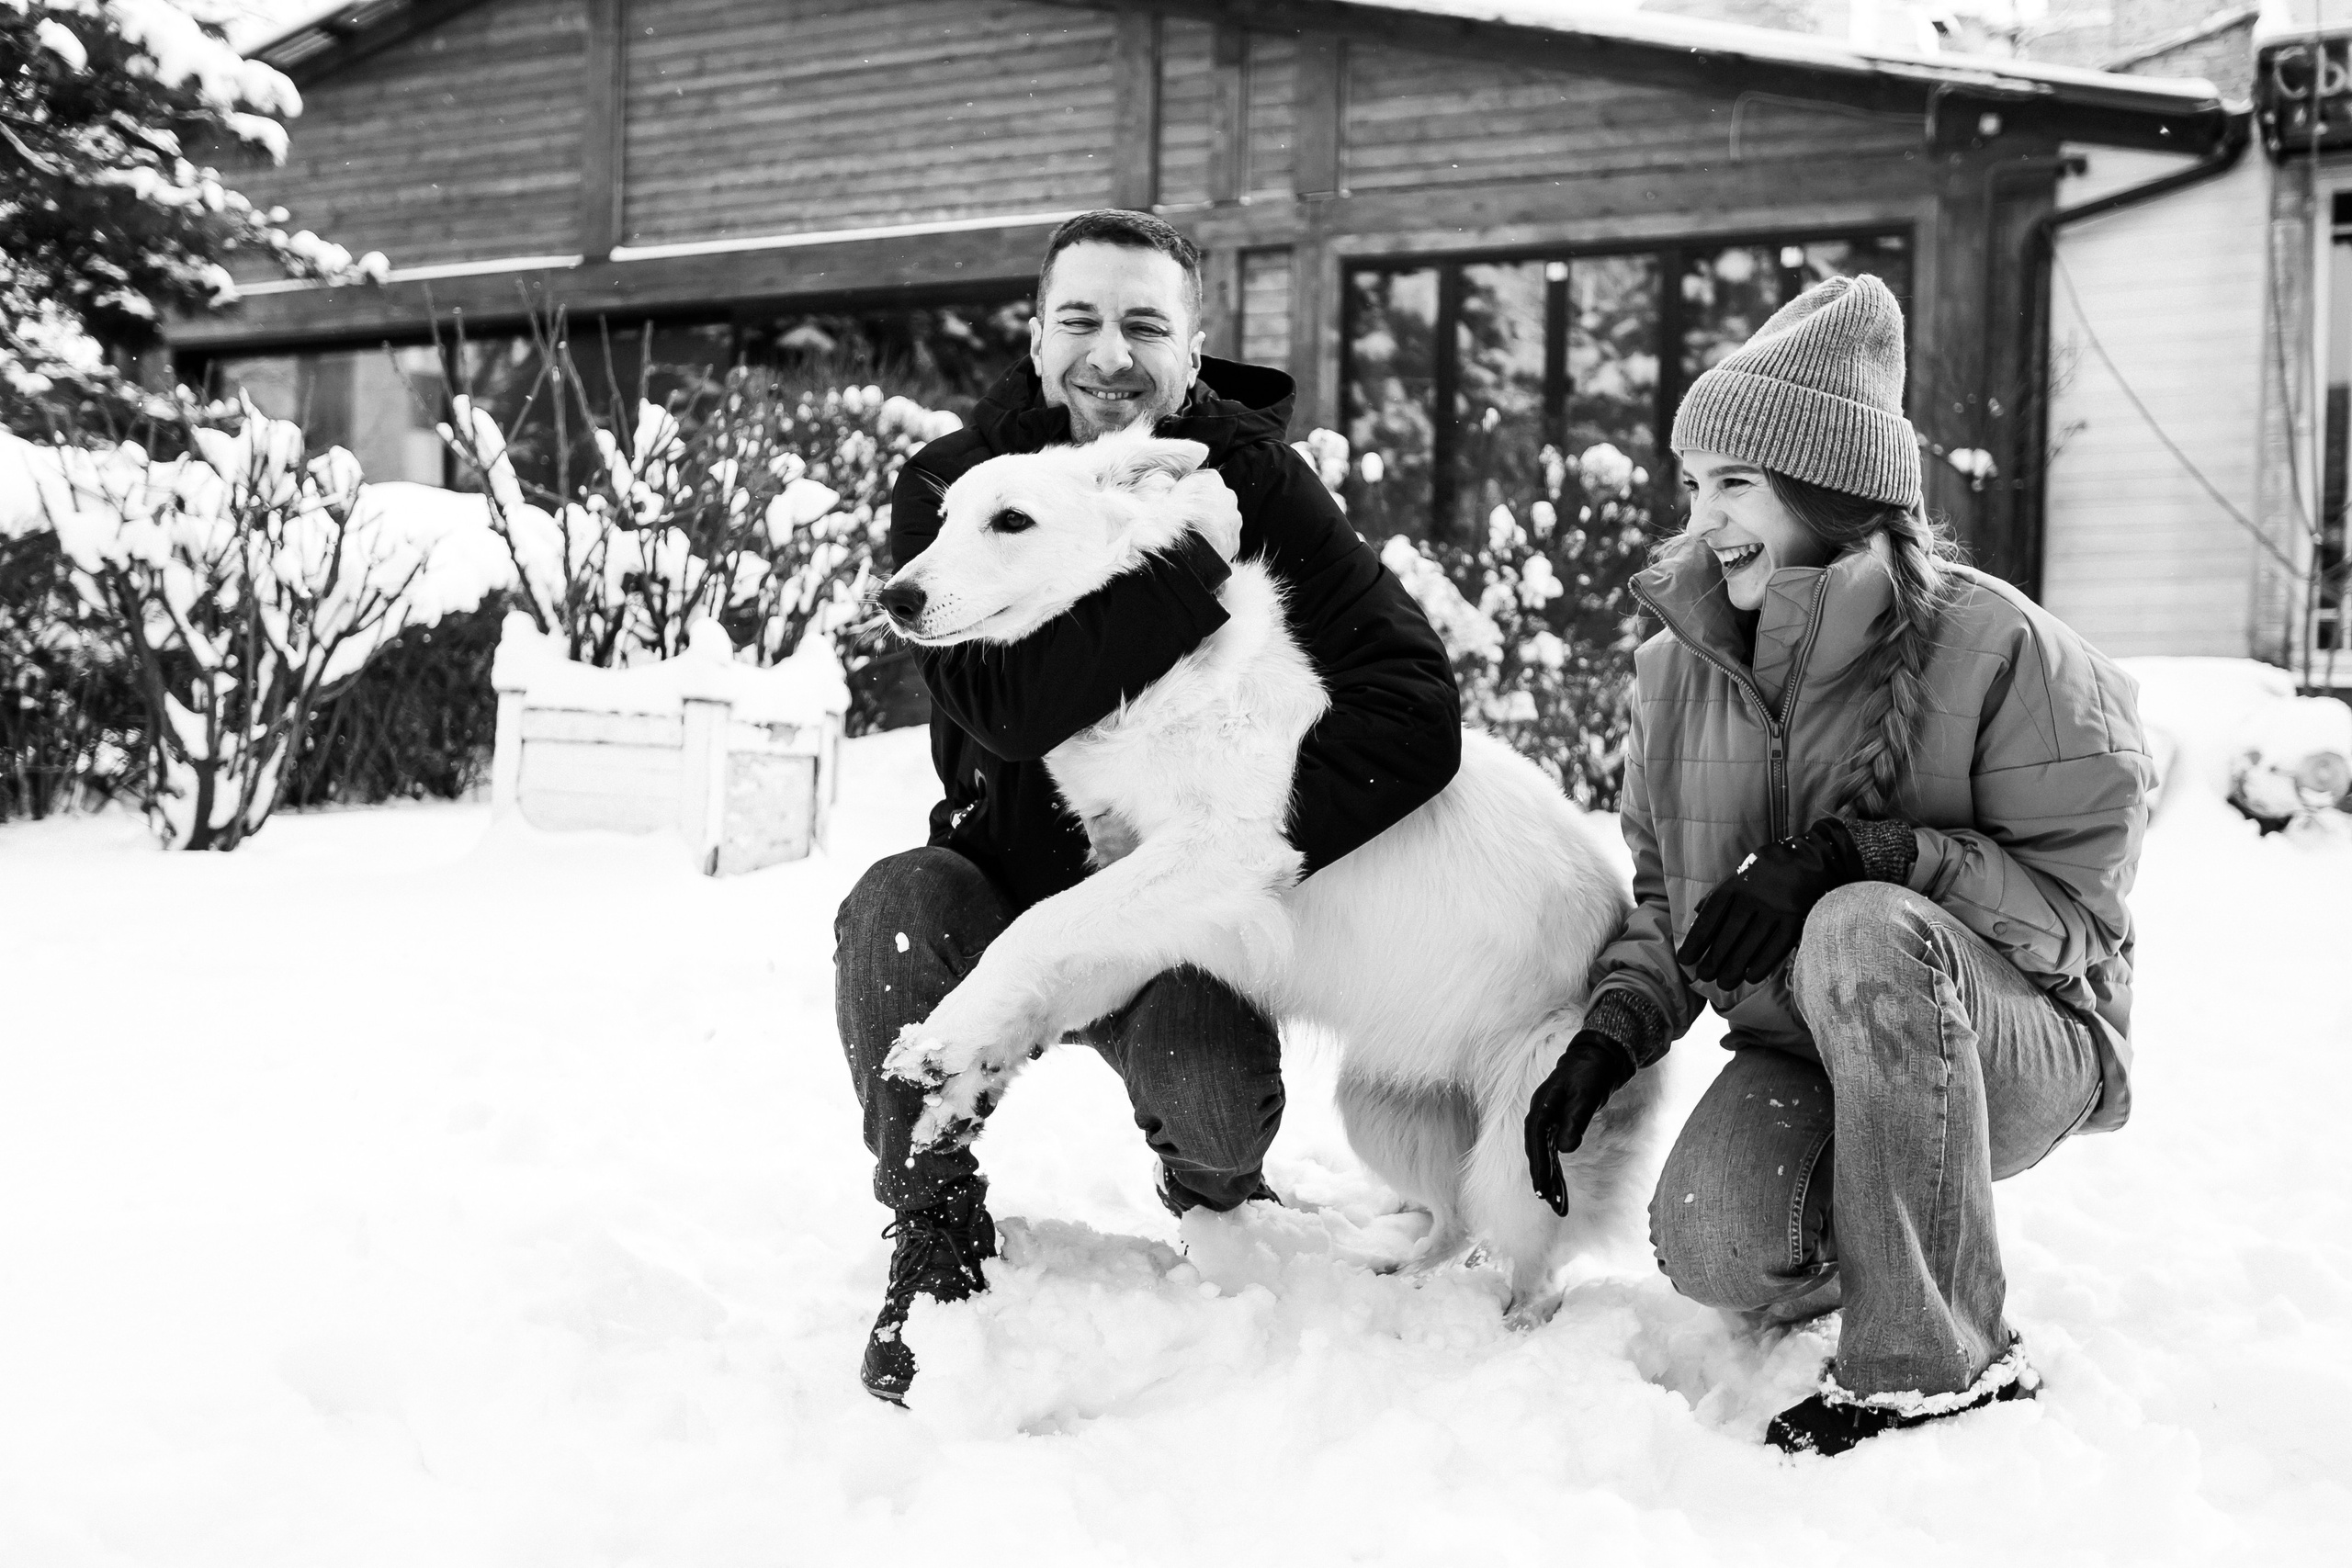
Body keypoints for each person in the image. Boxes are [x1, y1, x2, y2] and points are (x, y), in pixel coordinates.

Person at [837, 209, 1461, 1404]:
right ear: (1035, 338)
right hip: (1003, 877)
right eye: (1080, 319)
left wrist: (1256, 840)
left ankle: (1216, 1195)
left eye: (1143, 323)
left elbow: (1414, 702)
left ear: (1193, 342)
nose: (1109, 353)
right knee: (894, 914)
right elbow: (1010, 706)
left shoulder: (1252, 478)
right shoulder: (964, 487)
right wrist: (1184, 575)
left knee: (1215, 1093)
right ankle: (931, 1217)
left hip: (1184, 900)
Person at [1521, 274, 2152, 1456]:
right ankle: (1882, 1227)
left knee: (1864, 922)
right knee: (1713, 1241)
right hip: (1802, 1044)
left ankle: (1932, 1366)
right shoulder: (1676, 672)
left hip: (2017, 1038)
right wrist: (1606, 1036)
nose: (1704, 519)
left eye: (1735, 485)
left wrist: (1861, 855)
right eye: (1696, 485)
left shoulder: (2005, 648)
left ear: (1832, 491)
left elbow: (2079, 923)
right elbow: (1672, 904)